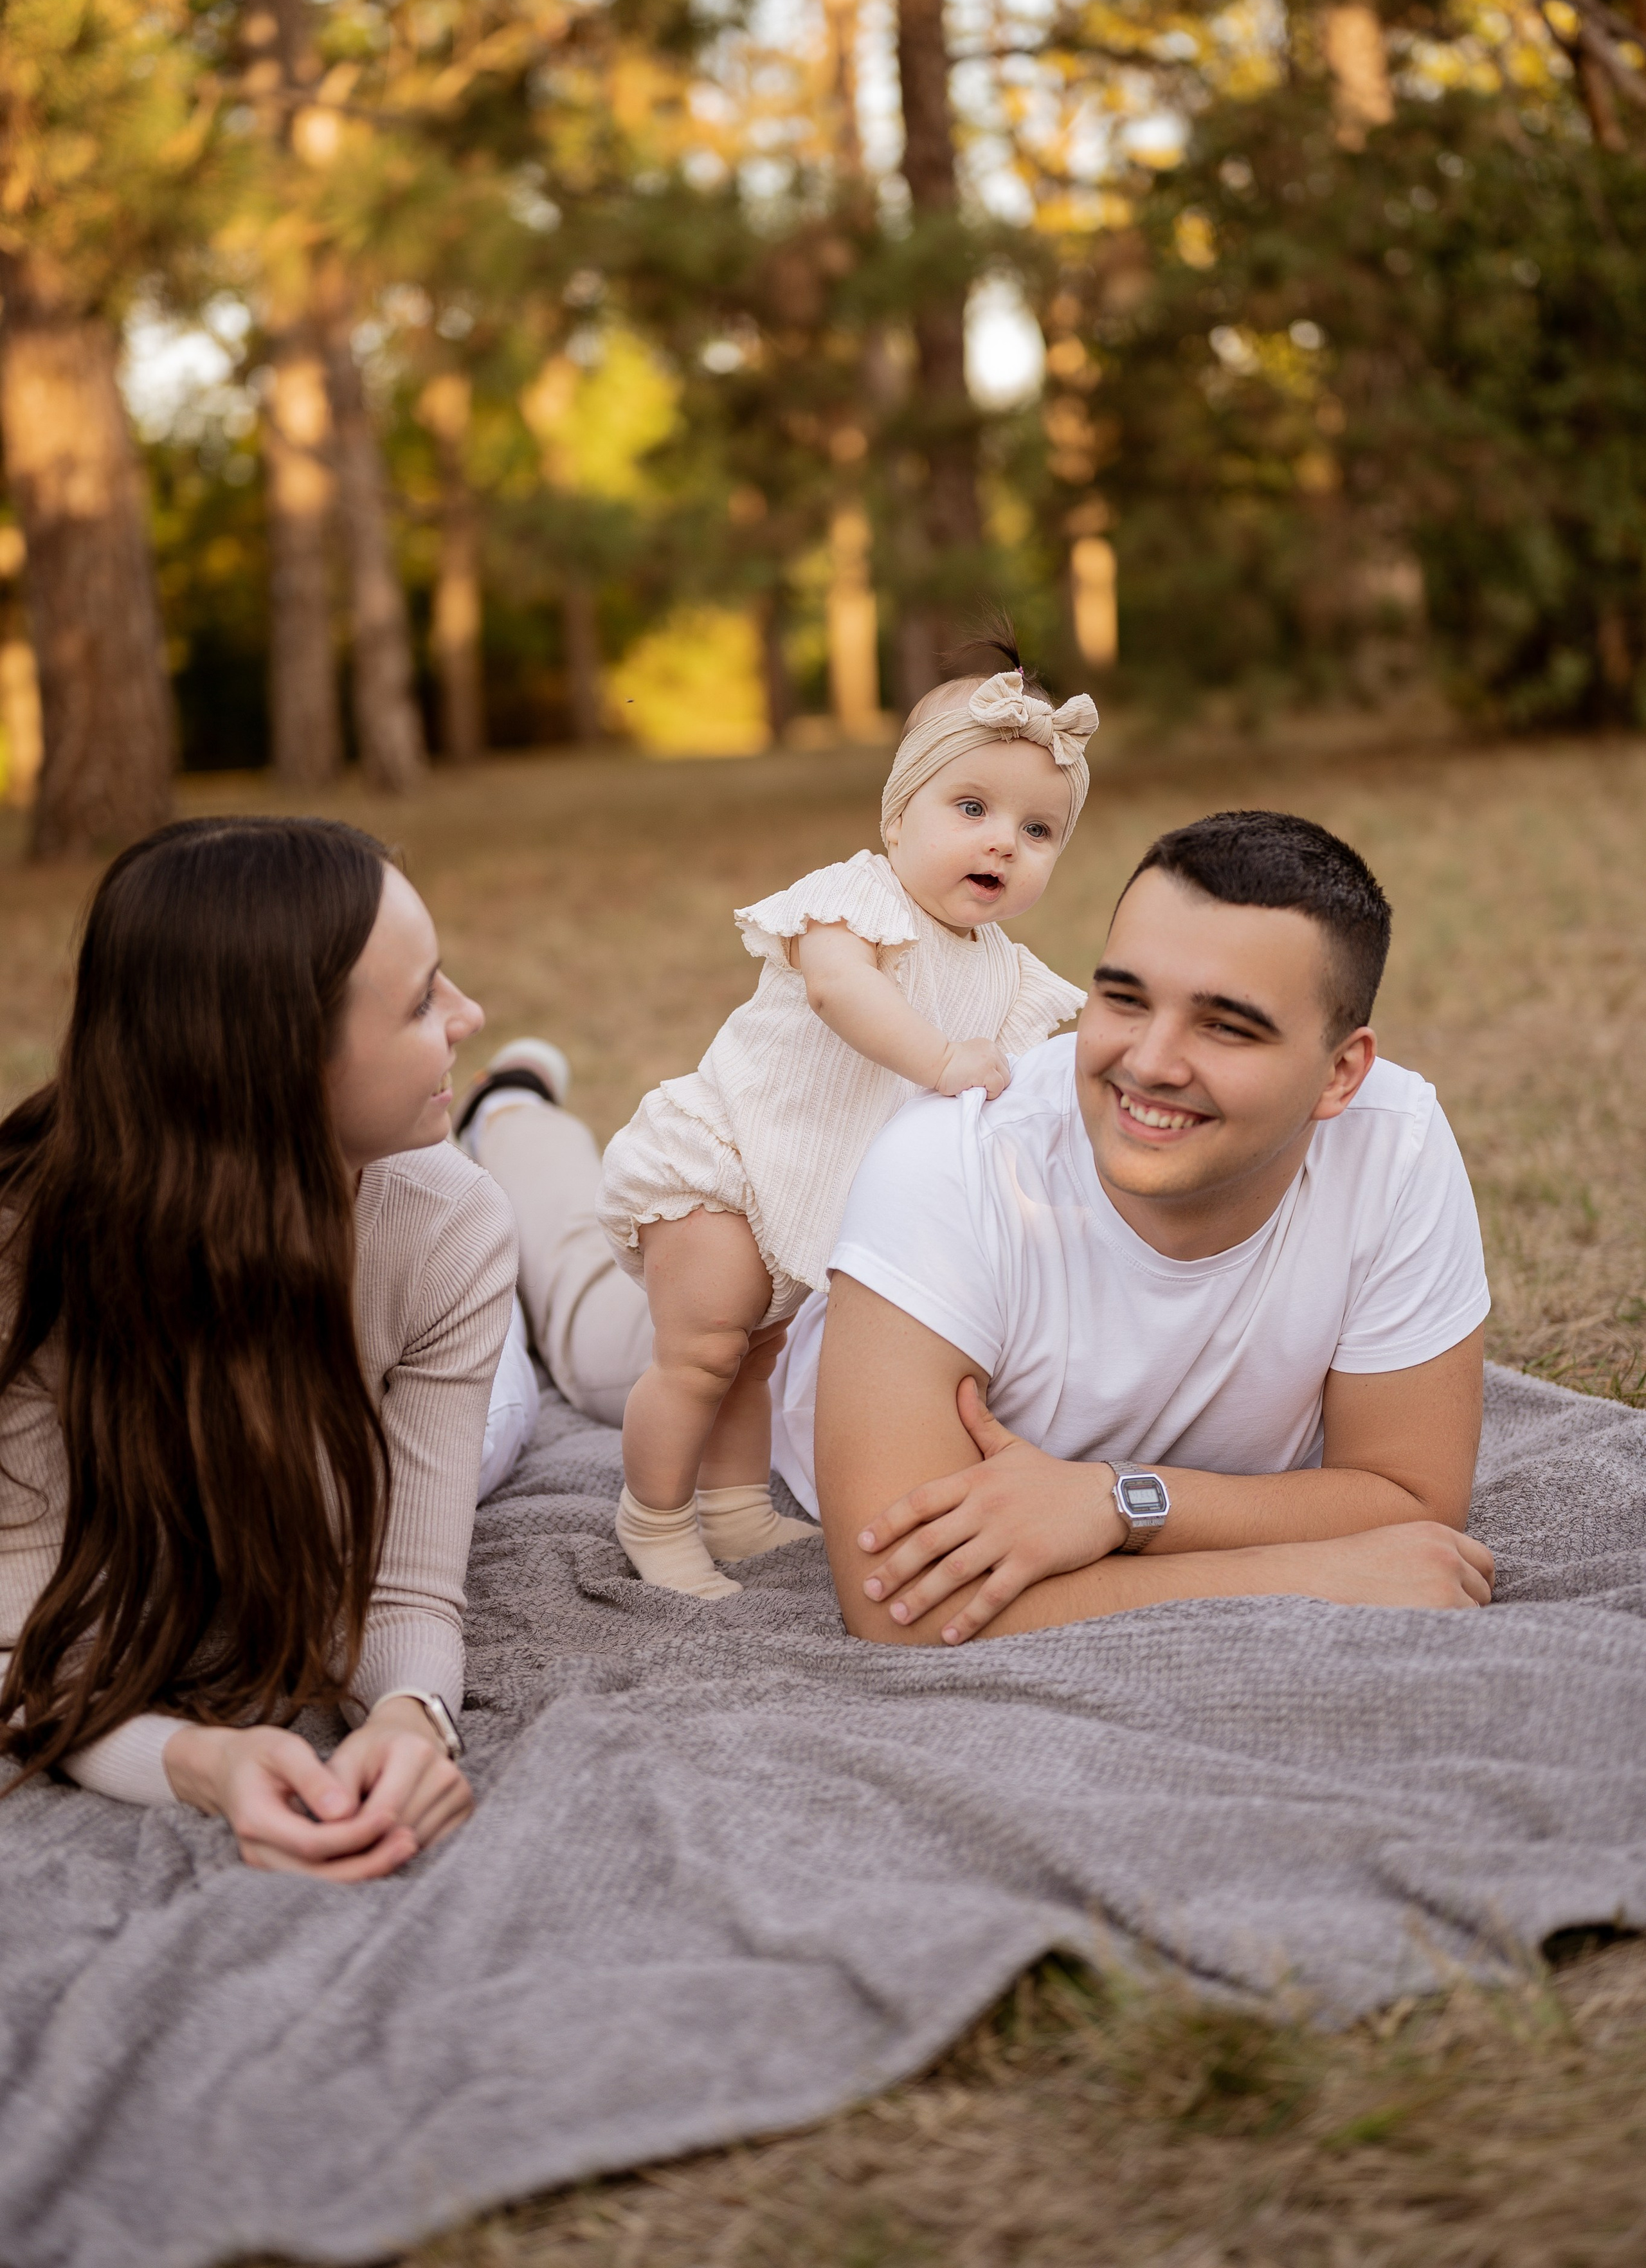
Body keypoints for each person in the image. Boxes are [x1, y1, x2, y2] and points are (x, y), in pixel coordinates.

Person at [765, 808, 1497, 1640]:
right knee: (625, 1316)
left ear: (1340, 1075)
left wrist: (1116, 1499)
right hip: (774, 1347)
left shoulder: (1392, 1146)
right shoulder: (951, 1165)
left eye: (1225, 1025)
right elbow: (902, 1605)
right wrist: (1307, 1574)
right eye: (1123, 999)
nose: (1149, 1063)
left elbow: (1412, 1499)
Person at [1, 816, 519, 1880]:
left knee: (565, 1349)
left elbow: (408, 1589)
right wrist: (198, 1763)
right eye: (422, 1001)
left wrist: (414, 1719)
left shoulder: (450, 1225)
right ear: (276, 1068)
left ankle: (524, 1116)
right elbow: (25, 1640)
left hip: (434, 1377)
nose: (469, 1011)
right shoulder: (29, 1259)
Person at [591, 657, 1095, 1600]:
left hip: (805, 1199)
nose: (1003, 844)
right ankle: (653, 1519)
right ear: (898, 815)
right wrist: (942, 1060)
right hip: (725, 1161)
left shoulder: (1006, 972)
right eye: (972, 809)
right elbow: (840, 992)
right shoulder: (854, 902)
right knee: (703, 1352)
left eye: (1038, 830)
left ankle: (735, 1507)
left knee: (760, 1353)